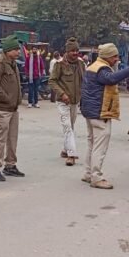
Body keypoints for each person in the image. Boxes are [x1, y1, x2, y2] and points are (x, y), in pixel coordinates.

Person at [80, 42, 129, 190]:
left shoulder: (92, 66)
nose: (117, 59)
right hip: (99, 112)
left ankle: (88, 173)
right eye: (114, 56)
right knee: (99, 145)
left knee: (92, 143)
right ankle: (96, 177)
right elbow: (111, 79)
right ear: (108, 56)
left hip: (89, 111)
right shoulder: (102, 69)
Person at [0, 35, 25, 182]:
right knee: (1, 139)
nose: (18, 52)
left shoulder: (12, 63)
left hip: (12, 107)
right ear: (8, 50)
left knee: (12, 138)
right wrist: (7, 98)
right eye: (16, 49)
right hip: (2, 108)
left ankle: (10, 165)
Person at [49, 37, 85, 166]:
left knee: (71, 126)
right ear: (67, 51)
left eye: (77, 50)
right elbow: (52, 81)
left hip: (75, 101)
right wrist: (62, 93)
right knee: (67, 126)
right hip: (63, 102)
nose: (75, 53)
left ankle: (65, 149)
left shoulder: (81, 64)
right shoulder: (59, 64)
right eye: (72, 51)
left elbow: (84, 81)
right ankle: (71, 154)